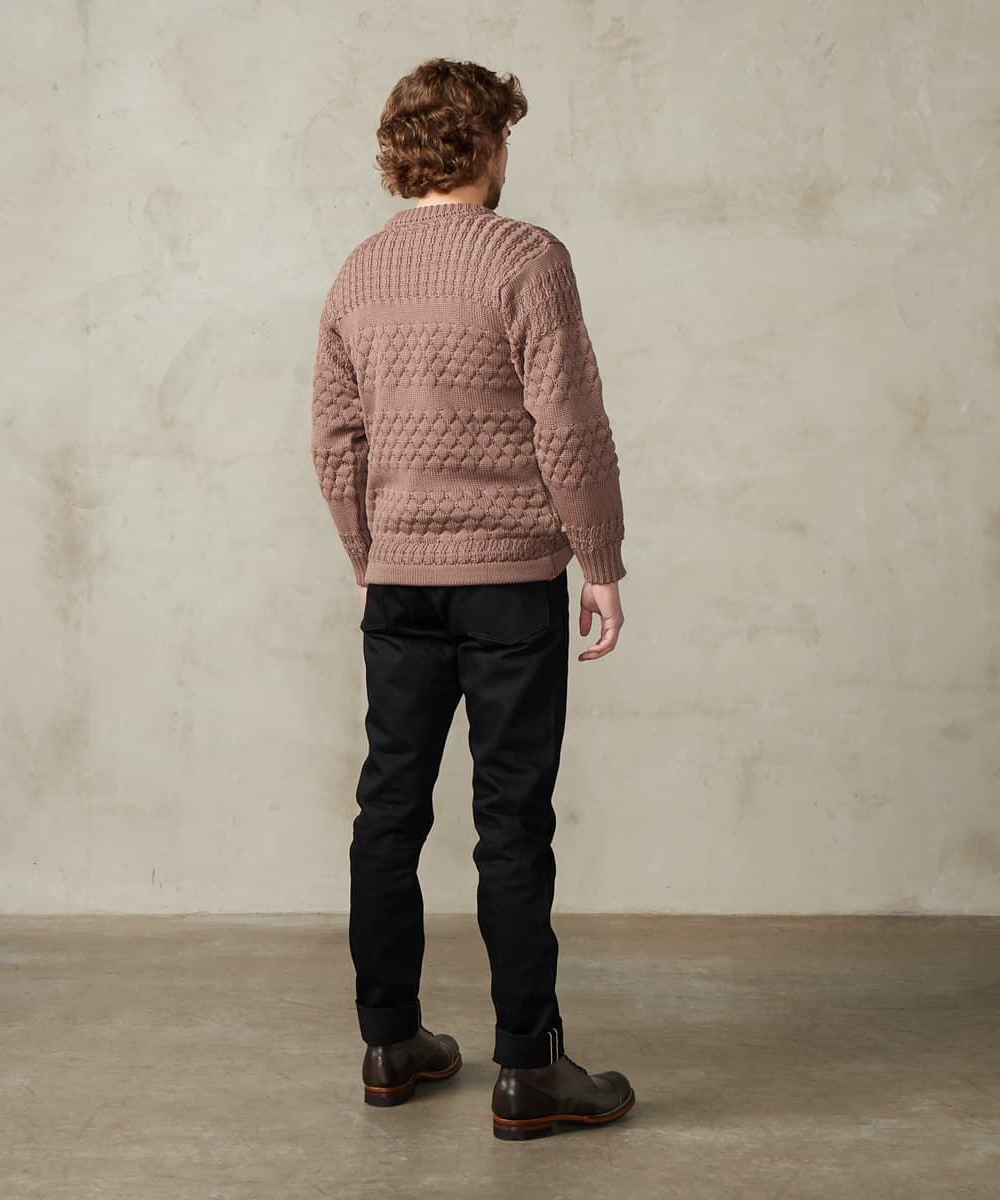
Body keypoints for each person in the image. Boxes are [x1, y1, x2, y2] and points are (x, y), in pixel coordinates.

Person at [310, 56, 634, 1141]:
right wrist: (600, 559)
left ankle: (389, 1043)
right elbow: (567, 423)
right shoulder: (526, 257)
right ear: (489, 145)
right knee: (511, 823)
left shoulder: (359, 272)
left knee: (388, 811)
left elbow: (334, 440)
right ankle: (528, 1070)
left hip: (399, 582)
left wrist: (370, 553)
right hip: (509, 587)